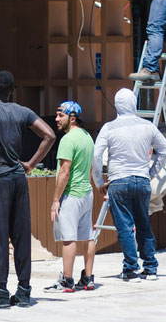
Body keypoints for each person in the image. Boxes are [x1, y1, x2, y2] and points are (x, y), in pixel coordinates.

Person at [0, 70, 55, 309]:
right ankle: (23, 291)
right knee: (21, 235)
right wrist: (30, 163)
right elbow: (49, 135)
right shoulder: (23, 111)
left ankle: (0, 291)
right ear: (13, 89)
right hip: (20, 179)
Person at [92, 88, 166, 281]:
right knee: (143, 224)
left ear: (116, 105)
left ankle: (131, 268)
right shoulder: (148, 126)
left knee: (125, 227)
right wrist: (151, 172)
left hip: (119, 180)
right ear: (134, 104)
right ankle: (151, 267)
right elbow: (165, 149)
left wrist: (99, 181)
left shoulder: (109, 128)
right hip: (142, 180)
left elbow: (95, 154)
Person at [44, 101, 97, 293]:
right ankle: (88, 278)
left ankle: (67, 280)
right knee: (87, 236)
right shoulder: (87, 137)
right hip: (86, 193)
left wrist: (55, 200)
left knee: (69, 238)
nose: (56, 119)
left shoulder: (67, 140)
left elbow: (64, 172)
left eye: (61, 116)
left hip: (71, 195)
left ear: (72, 118)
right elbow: (90, 168)